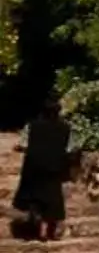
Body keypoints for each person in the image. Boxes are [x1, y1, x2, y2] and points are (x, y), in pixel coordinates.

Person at [13, 94, 73, 242]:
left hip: (34, 166)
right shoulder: (66, 128)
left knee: (35, 198)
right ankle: (49, 230)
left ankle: (39, 228)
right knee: (52, 198)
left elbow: (22, 144)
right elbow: (71, 148)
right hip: (54, 167)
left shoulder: (33, 126)